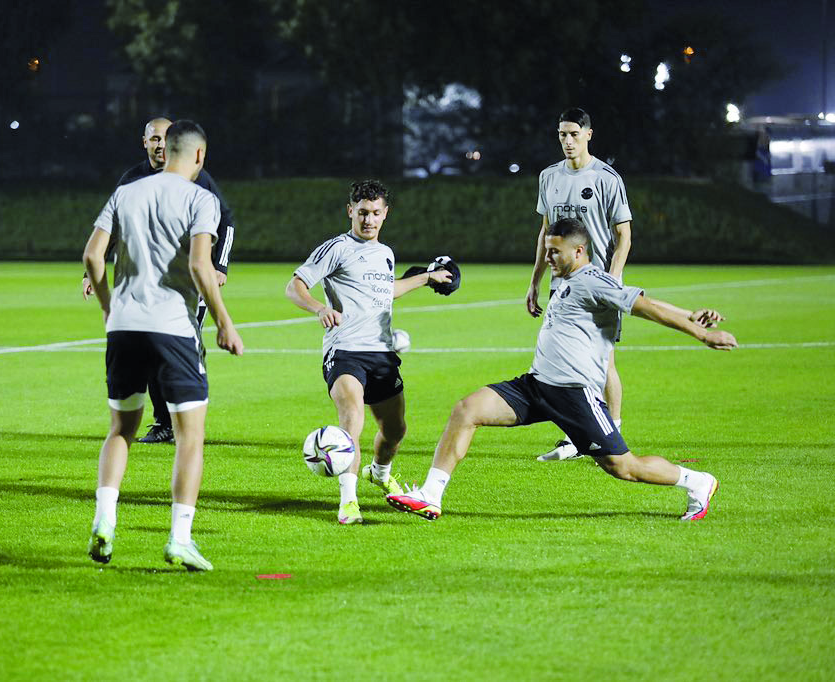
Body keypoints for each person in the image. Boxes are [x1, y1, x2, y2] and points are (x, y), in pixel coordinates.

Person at [387, 217, 735, 522]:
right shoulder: (568, 280)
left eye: (555, 251)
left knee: (625, 468)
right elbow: (641, 297)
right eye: (547, 250)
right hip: (536, 387)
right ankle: (430, 496)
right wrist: (690, 313)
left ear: (579, 252)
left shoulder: (592, 280)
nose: (548, 258)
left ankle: (697, 482)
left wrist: (701, 333)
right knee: (467, 410)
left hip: (575, 395)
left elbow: (642, 306)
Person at [83, 120, 244, 572]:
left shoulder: (127, 191)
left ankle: (105, 521)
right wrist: (224, 322)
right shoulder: (201, 198)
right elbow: (199, 264)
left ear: (165, 148)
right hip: (172, 327)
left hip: (124, 327)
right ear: (198, 156)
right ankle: (179, 539)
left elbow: (93, 256)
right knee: (190, 438)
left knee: (120, 430)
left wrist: (108, 307)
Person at [285, 180, 453, 525]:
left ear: (385, 214)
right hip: (344, 350)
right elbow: (295, 286)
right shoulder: (336, 248)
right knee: (351, 421)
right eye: (362, 212)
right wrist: (319, 308)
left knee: (395, 430)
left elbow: (384, 292)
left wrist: (427, 277)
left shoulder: (386, 253)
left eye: (376, 213)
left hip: (382, 353)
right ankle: (349, 502)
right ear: (350, 211)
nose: (369, 220)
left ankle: (379, 471)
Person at [84, 116, 237, 446]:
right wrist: (90, 275)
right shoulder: (132, 180)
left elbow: (225, 221)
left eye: (163, 138)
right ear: (146, 143)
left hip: (181, 292)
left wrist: (219, 265)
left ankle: (183, 419)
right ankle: (166, 422)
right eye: (153, 139)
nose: (158, 145)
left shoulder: (199, 183)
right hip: (144, 298)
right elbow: (111, 231)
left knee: (181, 348)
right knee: (154, 353)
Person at [525, 108, 632, 462]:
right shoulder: (549, 177)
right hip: (561, 285)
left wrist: (612, 282)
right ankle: (575, 437)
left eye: (573, 134)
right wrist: (535, 281)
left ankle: (611, 431)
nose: (567, 141)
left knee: (603, 362)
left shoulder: (606, 177)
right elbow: (546, 232)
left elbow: (624, 235)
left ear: (588, 134)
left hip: (597, 286)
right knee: (564, 361)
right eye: (561, 135)